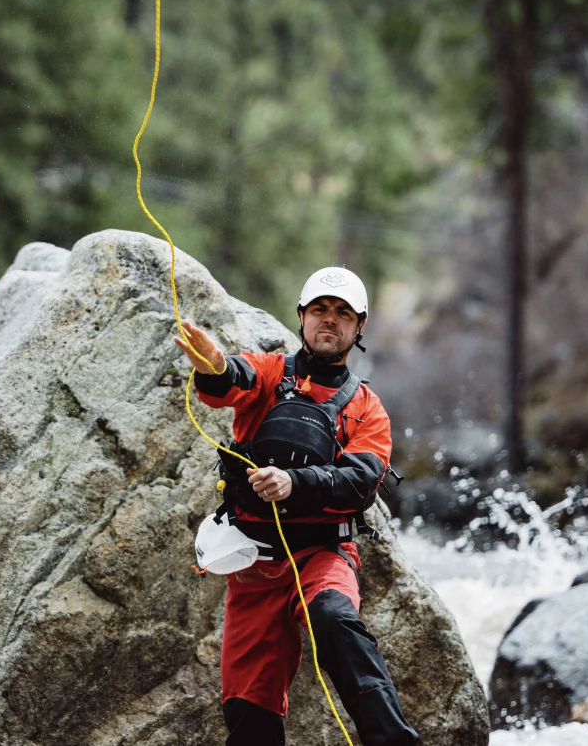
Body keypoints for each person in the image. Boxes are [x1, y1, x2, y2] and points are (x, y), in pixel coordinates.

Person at [175, 265, 419, 746]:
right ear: (302, 316)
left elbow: (360, 483)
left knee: (335, 618)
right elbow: (230, 381)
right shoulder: (269, 373)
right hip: (254, 565)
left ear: (359, 326)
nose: (330, 320)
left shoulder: (368, 409)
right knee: (249, 713)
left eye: (343, 312)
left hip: (323, 555)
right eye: (321, 310)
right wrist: (215, 366)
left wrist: (293, 482)